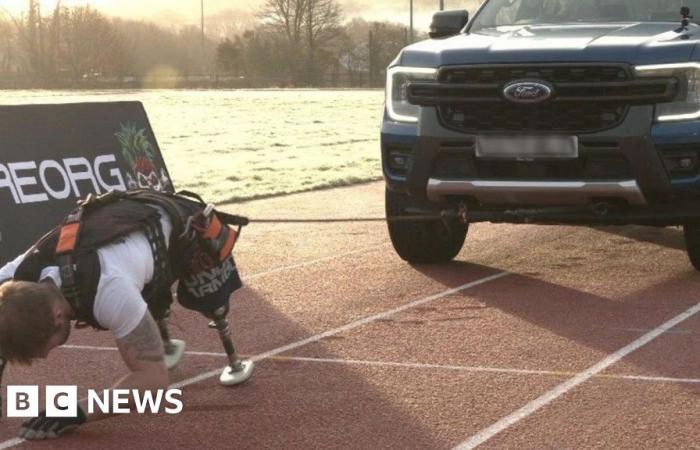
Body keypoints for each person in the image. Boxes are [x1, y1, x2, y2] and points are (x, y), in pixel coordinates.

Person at [0, 190, 254, 440]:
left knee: (210, 302)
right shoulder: (23, 270)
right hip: (120, 226)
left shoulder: (109, 291)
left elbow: (154, 380)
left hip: (177, 223)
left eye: (43, 347)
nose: (45, 355)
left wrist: (76, 411)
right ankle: (159, 336)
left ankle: (221, 352)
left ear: (57, 316)